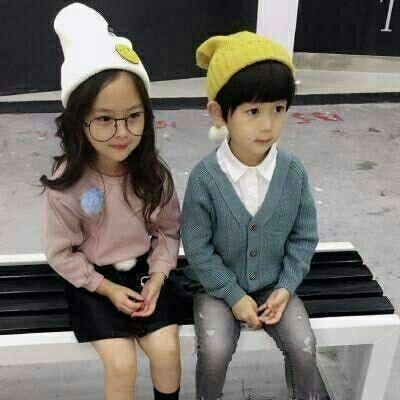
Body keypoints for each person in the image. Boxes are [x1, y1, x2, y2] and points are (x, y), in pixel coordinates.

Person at [40, 3, 181, 399]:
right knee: (122, 364)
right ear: (77, 122)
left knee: (167, 350)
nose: (122, 132)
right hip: (93, 282)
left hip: (145, 276)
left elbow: (168, 231)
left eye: (133, 116)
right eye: (104, 119)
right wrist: (105, 288)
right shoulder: (66, 185)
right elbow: (60, 252)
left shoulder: (152, 174)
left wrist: (158, 277)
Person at [181, 31, 330, 400]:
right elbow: (197, 247)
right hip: (216, 288)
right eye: (253, 111)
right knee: (215, 350)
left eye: (278, 109)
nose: (268, 124)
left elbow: (304, 237)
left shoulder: (292, 172)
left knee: (304, 346)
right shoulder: (205, 177)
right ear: (219, 113)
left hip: (274, 284)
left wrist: (286, 286)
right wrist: (233, 295)